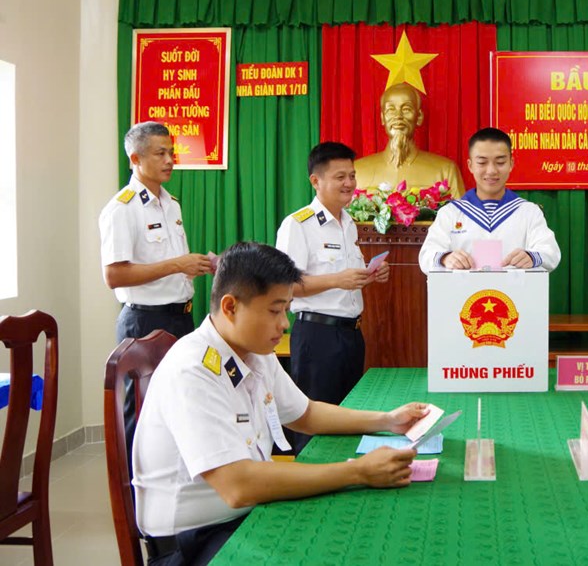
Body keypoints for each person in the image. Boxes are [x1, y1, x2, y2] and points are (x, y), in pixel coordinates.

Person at [133, 242, 426, 566]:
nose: (285, 323)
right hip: (193, 543)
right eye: (274, 311)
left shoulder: (254, 351)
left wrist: (387, 420)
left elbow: (306, 414)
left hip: (244, 517)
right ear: (230, 307)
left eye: (286, 309)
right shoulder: (194, 370)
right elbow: (238, 486)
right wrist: (357, 472)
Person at [99, 121, 214, 465]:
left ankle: (170, 481)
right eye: (160, 153)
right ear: (135, 158)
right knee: (142, 410)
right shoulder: (122, 208)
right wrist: (178, 264)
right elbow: (114, 275)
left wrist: (196, 265)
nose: (169, 160)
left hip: (179, 318)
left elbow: (166, 263)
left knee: (177, 404)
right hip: (145, 321)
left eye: (171, 152)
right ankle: (133, 491)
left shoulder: (170, 204)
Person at [276, 142, 390, 453]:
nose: (349, 183)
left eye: (352, 176)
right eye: (340, 177)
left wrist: (370, 274)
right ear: (316, 181)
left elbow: (346, 281)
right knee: (315, 426)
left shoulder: (349, 223)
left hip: (351, 335)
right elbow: (285, 286)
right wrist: (337, 280)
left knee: (346, 421)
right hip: (317, 337)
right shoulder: (298, 224)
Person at [418, 128, 560, 273]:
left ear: (511, 164)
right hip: (464, 288)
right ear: (470, 165)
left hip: (514, 288)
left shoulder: (529, 212)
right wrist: (445, 258)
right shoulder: (450, 213)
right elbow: (426, 256)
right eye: (482, 162)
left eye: (500, 162)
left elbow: (551, 253)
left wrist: (532, 257)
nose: (491, 170)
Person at [354, 82, 466, 192]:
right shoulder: (357, 171)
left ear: (419, 117)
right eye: (391, 110)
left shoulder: (445, 171)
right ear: (382, 118)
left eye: (406, 109)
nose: (398, 116)